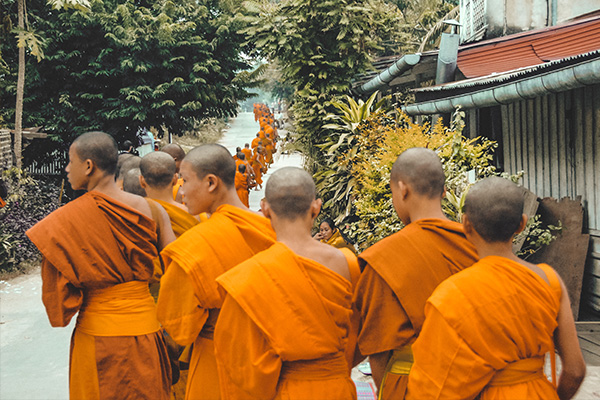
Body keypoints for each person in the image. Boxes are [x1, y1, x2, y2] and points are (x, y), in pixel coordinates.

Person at [26, 131, 176, 399]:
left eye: (71, 161)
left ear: (88, 166)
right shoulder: (151, 210)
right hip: (147, 331)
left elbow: (58, 303)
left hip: (97, 336)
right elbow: (176, 271)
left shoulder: (65, 221)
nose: (67, 168)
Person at [406, 176, 586, 399]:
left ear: (466, 225)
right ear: (522, 224)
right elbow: (576, 371)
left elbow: (432, 387)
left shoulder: (453, 293)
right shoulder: (549, 280)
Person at [214, 167, 361, 399]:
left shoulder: (250, 274)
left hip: (285, 391)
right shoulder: (347, 263)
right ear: (316, 207)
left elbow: (240, 361)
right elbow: (360, 335)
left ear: (265, 209)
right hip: (336, 388)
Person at [353, 147, 478, 399]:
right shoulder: (476, 245)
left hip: (412, 385)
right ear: (444, 191)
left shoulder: (384, 257)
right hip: (476, 380)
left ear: (402, 189)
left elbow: (378, 348)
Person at [156, 143, 277, 400]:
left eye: (185, 181)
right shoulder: (269, 230)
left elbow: (178, 329)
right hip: (268, 363)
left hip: (215, 361)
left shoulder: (195, 245)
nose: (181, 190)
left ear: (211, 183)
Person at [139, 151, 201, 399]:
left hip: (145, 310)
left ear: (142, 181)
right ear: (176, 178)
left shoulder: (131, 218)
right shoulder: (196, 217)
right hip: (185, 307)